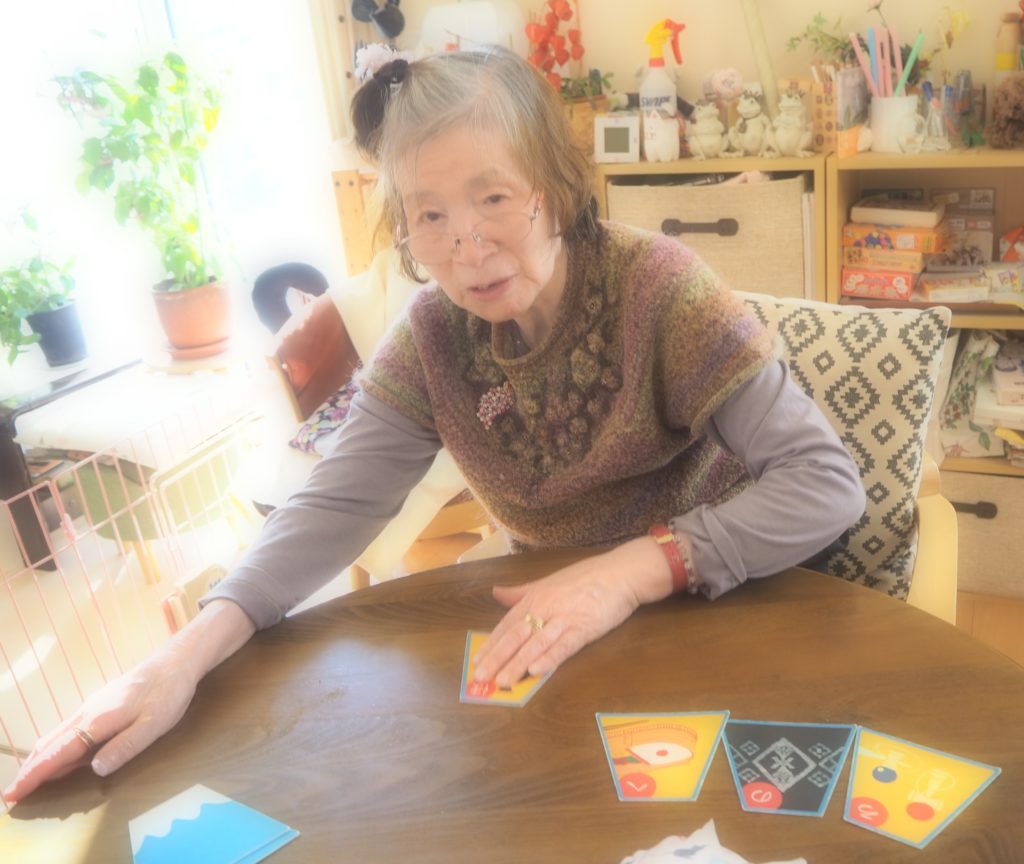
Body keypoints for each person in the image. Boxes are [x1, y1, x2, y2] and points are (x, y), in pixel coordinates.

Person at [2, 46, 864, 806]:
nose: (466, 248)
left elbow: (825, 487)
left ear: (555, 188)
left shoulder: (662, 288)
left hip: (716, 602)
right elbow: (334, 505)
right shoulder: (433, 337)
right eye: (430, 215)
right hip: (561, 633)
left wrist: (632, 571)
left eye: (494, 198)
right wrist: (181, 658)